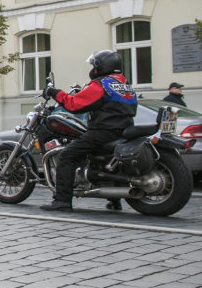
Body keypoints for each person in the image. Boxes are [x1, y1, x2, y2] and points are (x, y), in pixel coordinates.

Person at [39, 50, 137, 212]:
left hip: (104, 131)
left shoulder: (101, 84)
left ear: (102, 67)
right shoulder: (124, 83)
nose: (93, 69)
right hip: (124, 129)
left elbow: (73, 105)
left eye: (94, 66)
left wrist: (54, 92)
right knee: (102, 161)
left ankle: (62, 200)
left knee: (66, 155)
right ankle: (114, 200)